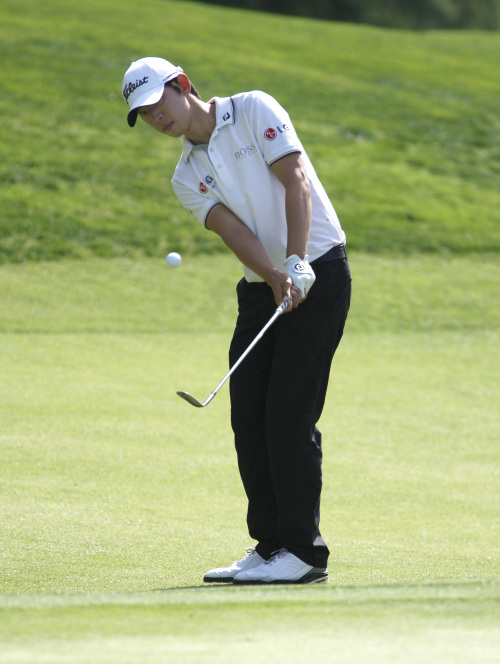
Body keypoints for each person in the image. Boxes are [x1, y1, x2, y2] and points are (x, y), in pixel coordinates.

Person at [122, 57, 351, 585]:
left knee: (288, 416)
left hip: (320, 272)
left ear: (183, 87)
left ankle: (303, 553)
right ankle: (270, 546)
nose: (158, 121)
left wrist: (297, 262)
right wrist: (273, 274)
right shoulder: (186, 176)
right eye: (146, 117)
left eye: (159, 106)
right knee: (248, 414)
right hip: (262, 288)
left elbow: (294, 180)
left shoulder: (253, 109)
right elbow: (233, 233)